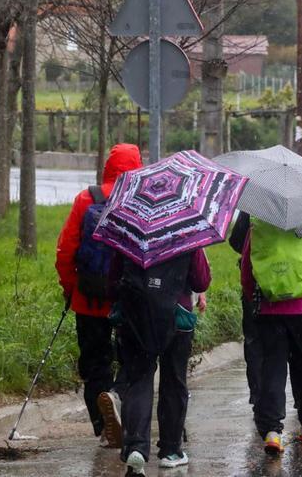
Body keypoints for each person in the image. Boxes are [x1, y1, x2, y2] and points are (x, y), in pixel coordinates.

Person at [55, 143, 142, 448]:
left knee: (95, 363)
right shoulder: (141, 201)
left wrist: (70, 288)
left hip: (89, 299)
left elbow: (66, 250)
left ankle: (103, 425)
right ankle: (117, 397)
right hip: (129, 299)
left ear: (108, 166)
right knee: (132, 358)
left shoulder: (86, 198)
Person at [240, 218, 302, 455]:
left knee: (271, 368)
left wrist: (255, 298)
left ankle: (272, 430)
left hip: (269, 309)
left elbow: (246, 267)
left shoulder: (260, 221)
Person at [113, 249, 210, 476]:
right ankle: (170, 450)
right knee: (174, 381)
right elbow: (201, 280)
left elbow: (113, 279)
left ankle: (135, 447)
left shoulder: (130, 232)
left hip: (135, 317)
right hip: (177, 316)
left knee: (139, 379)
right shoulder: (186, 230)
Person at [228, 212, 263, 405]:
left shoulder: (254, 202)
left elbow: (235, 241)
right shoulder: (301, 202)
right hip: (291, 288)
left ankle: (258, 394)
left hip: (255, 287)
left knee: (254, 341)